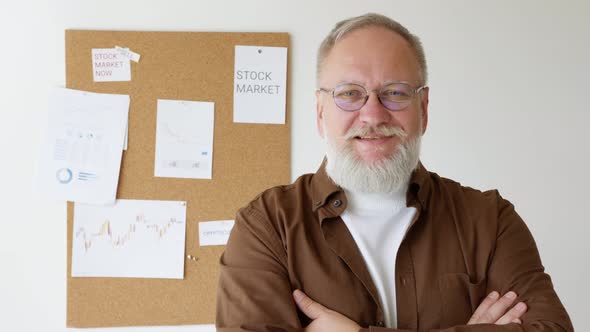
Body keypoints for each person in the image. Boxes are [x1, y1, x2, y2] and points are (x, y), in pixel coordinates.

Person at [216, 13, 573, 332]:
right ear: (321, 112)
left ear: (424, 108)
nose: (373, 115)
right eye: (350, 93)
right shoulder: (267, 226)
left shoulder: (490, 220)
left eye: (396, 93)